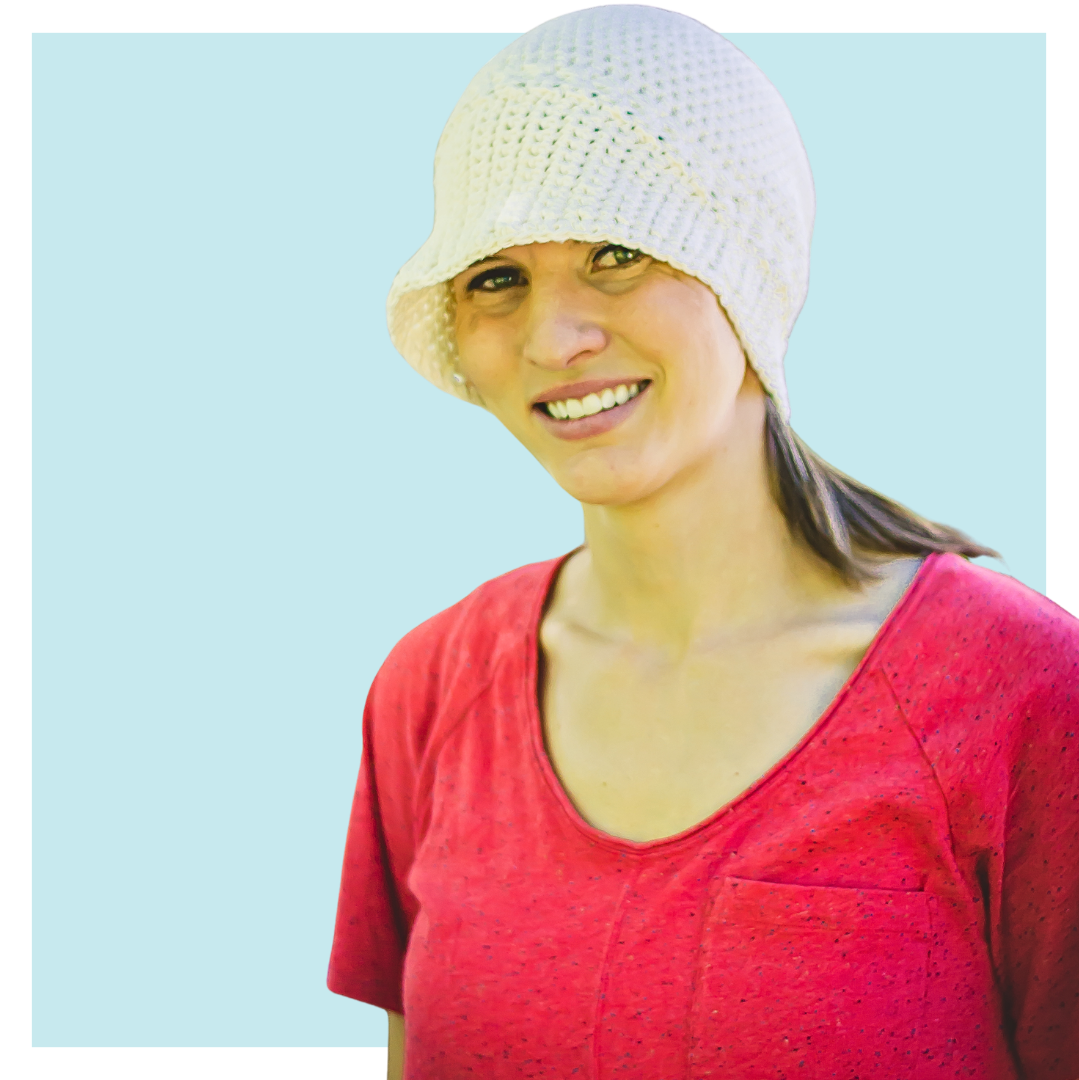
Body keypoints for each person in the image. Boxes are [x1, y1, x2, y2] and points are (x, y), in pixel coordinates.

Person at [327, 7, 1078, 1077]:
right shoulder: (430, 691)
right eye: (497, 277)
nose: (554, 337)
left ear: (744, 270)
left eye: (617, 252)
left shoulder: (1023, 695)